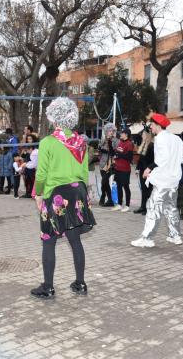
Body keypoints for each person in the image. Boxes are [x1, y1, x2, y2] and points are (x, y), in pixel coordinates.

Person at [30, 97, 95, 299]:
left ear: (54, 118)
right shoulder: (81, 143)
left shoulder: (48, 142)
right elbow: (84, 173)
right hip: (77, 193)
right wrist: (84, 195)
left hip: (56, 195)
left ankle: (48, 286)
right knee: (75, 240)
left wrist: (38, 194)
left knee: (49, 240)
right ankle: (80, 283)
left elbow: (41, 174)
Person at [131, 113, 183, 248]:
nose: (150, 127)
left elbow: (163, 158)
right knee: (171, 209)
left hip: (163, 180)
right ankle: (175, 236)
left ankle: (147, 238)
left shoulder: (160, 139)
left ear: (157, 125)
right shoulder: (176, 139)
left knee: (153, 208)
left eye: (151, 125)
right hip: (173, 180)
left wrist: (149, 168)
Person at [112, 129, 134, 212]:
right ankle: (119, 204)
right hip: (118, 168)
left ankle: (127, 205)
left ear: (126, 134)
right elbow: (117, 152)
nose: (120, 134)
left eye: (122, 133)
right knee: (118, 186)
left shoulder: (129, 144)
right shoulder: (120, 142)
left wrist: (119, 155)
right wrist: (116, 155)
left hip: (125, 169)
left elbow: (129, 157)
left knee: (126, 187)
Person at [133, 128, 154, 215]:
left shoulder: (151, 145)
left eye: (143, 134)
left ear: (147, 135)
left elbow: (153, 160)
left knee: (148, 190)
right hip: (142, 170)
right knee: (143, 189)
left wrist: (149, 170)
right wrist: (137, 168)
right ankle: (143, 207)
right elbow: (140, 159)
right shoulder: (143, 145)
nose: (142, 135)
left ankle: (148, 208)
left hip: (149, 171)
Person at [98, 123, 118, 207]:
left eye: (112, 131)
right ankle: (107, 198)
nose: (110, 132)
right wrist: (101, 147)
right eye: (109, 131)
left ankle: (105, 197)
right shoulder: (103, 139)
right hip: (102, 163)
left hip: (111, 164)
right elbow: (99, 148)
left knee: (104, 180)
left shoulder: (115, 140)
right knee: (104, 182)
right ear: (106, 131)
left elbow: (114, 152)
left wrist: (110, 143)